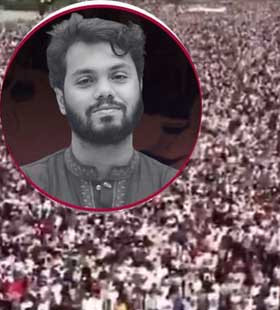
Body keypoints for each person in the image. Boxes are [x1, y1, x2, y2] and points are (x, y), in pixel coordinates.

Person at [21, 13, 178, 209]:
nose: (105, 91)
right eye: (85, 80)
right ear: (61, 100)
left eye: (119, 76)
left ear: (140, 87)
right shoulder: (29, 182)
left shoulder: (170, 183)